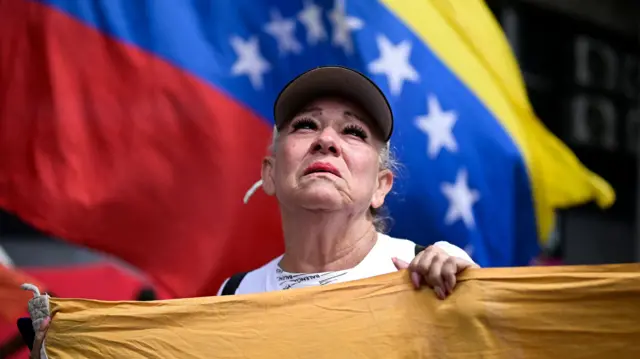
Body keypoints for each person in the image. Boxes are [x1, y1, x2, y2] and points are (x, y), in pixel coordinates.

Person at [27, 66, 478, 358]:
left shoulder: (431, 274)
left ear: (381, 187)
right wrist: (79, 344)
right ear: (269, 173)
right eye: (305, 125)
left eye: (354, 132)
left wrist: (472, 297)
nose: (326, 140)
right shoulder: (234, 292)